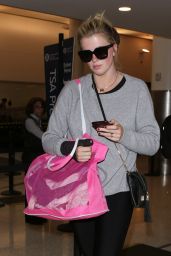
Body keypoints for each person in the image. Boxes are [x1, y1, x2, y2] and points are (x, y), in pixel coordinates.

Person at [42, 13, 160, 256]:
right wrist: (71, 149)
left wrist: (124, 135)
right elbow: (49, 138)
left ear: (114, 48)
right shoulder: (72, 91)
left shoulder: (137, 90)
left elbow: (152, 143)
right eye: (86, 55)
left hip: (118, 191)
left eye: (101, 52)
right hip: (80, 189)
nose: (94, 60)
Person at [22, 97, 47, 225]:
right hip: (30, 157)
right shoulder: (30, 121)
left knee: (38, 187)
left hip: (37, 157)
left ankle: (37, 214)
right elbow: (41, 136)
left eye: (41, 106)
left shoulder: (38, 121)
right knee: (31, 187)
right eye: (37, 106)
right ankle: (31, 216)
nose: (40, 109)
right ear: (32, 108)